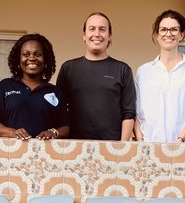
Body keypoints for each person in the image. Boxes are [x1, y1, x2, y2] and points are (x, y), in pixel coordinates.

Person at [56, 12, 135, 141]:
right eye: (92, 29)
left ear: (109, 36)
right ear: (84, 35)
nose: (97, 34)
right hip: (74, 146)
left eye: (102, 29)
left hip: (112, 146)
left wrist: (122, 147)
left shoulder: (122, 69)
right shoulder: (68, 68)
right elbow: (58, 110)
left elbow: (129, 113)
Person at [135, 10, 185, 143]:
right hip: (149, 148)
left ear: (181, 35)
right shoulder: (143, 72)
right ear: (157, 35)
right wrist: (140, 141)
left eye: (174, 29)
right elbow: (136, 112)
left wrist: (180, 141)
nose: (168, 34)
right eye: (163, 29)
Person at [0, 34, 69, 140]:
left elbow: (66, 127)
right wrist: (13, 132)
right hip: (10, 153)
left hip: (46, 154)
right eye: (26, 54)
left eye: (38, 54)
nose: (32, 58)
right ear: (18, 59)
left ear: (46, 60)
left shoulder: (55, 91)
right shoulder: (5, 86)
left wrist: (53, 132)